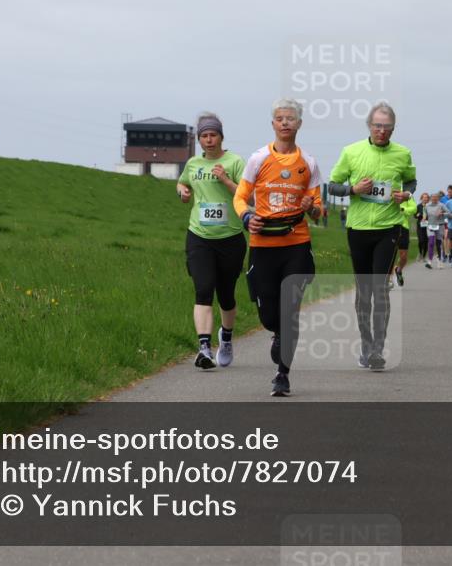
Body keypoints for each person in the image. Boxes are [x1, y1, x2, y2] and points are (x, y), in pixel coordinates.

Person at [233, 99, 322, 397]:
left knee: (290, 310)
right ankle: (276, 332)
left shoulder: (308, 162)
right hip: (262, 245)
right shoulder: (258, 159)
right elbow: (240, 197)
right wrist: (247, 217)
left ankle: (282, 375)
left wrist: (313, 207)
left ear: (299, 124)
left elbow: (320, 210)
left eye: (291, 119)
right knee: (270, 316)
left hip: (296, 244)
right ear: (272, 124)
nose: (285, 123)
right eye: (280, 119)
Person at [328, 102, 417, 371]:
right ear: (369, 126)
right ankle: (366, 344)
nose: (382, 131)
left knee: (380, 288)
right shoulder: (351, 152)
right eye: (377, 126)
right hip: (358, 230)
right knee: (364, 292)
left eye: (387, 127)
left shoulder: (403, 154)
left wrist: (407, 194)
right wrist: (353, 189)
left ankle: (378, 348)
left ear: (393, 129)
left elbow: (411, 181)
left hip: (388, 229)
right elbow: (332, 186)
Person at [176, 113, 246, 370]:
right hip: (199, 236)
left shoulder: (235, 161)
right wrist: (182, 191)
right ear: (199, 139)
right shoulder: (193, 164)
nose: (208, 140)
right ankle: (204, 348)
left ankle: (225, 338)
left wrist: (225, 180)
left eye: (212, 135)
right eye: (204, 136)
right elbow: (183, 183)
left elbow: (246, 194)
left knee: (226, 295)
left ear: (221, 136)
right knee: (203, 289)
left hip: (230, 238)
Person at [388, 196, 416, 289]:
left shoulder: (406, 194)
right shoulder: (389, 192)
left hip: (403, 227)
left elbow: (414, 208)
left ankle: (398, 270)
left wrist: (403, 209)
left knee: (404, 257)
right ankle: (389, 280)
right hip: (390, 226)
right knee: (390, 255)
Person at [424, 194, 449, 269]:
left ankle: (439, 260)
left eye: (436, 198)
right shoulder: (427, 205)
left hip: (440, 225)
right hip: (430, 225)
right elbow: (425, 213)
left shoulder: (442, 205)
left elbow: (449, 213)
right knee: (431, 242)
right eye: (433, 198)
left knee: (438, 243)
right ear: (431, 198)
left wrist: (442, 214)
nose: (434, 199)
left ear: (438, 198)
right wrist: (424, 218)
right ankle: (430, 261)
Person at [415, 192, 430, 263]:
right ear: (421, 198)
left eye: (427, 198)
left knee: (426, 241)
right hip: (420, 225)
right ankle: (420, 253)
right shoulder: (418, 206)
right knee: (421, 240)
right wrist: (418, 215)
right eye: (424, 197)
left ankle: (424, 256)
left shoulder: (430, 206)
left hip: (428, 225)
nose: (425, 199)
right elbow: (414, 216)